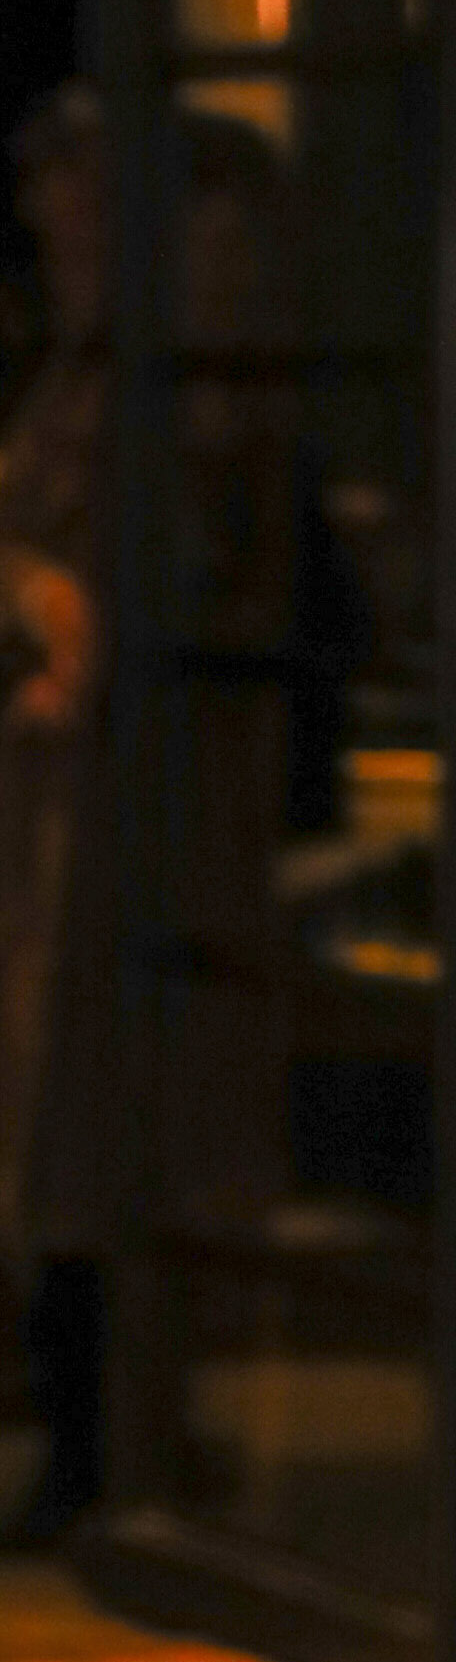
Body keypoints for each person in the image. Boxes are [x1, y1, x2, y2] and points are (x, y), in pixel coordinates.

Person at [1, 84, 109, 1542]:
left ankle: (99, 1434)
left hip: (107, 821)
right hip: (51, 813)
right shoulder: (71, 365)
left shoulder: (154, 374)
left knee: (83, 1118)